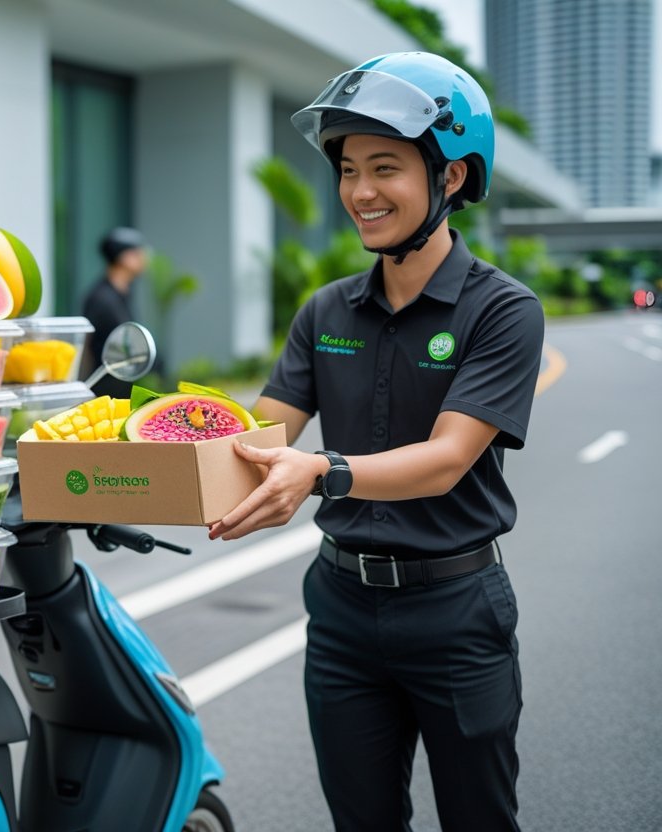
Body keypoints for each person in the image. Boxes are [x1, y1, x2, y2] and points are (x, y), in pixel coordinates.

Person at [209, 52, 544, 831]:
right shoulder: (324, 311)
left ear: (452, 178)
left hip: (457, 611)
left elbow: (449, 458)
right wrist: (114, 461)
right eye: (349, 169)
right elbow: (257, 437)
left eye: (384, 167)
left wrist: (322, 471)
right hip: (341, 612)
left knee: (479, 820)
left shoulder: (503, 311)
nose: (359, 192)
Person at [81, 226, 150, 398]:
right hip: (102, 395)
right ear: (125, 258)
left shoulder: (122, 293)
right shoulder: (102, 299)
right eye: (138, 252)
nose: (145, 257)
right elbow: (86, 348)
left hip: (121, 391)